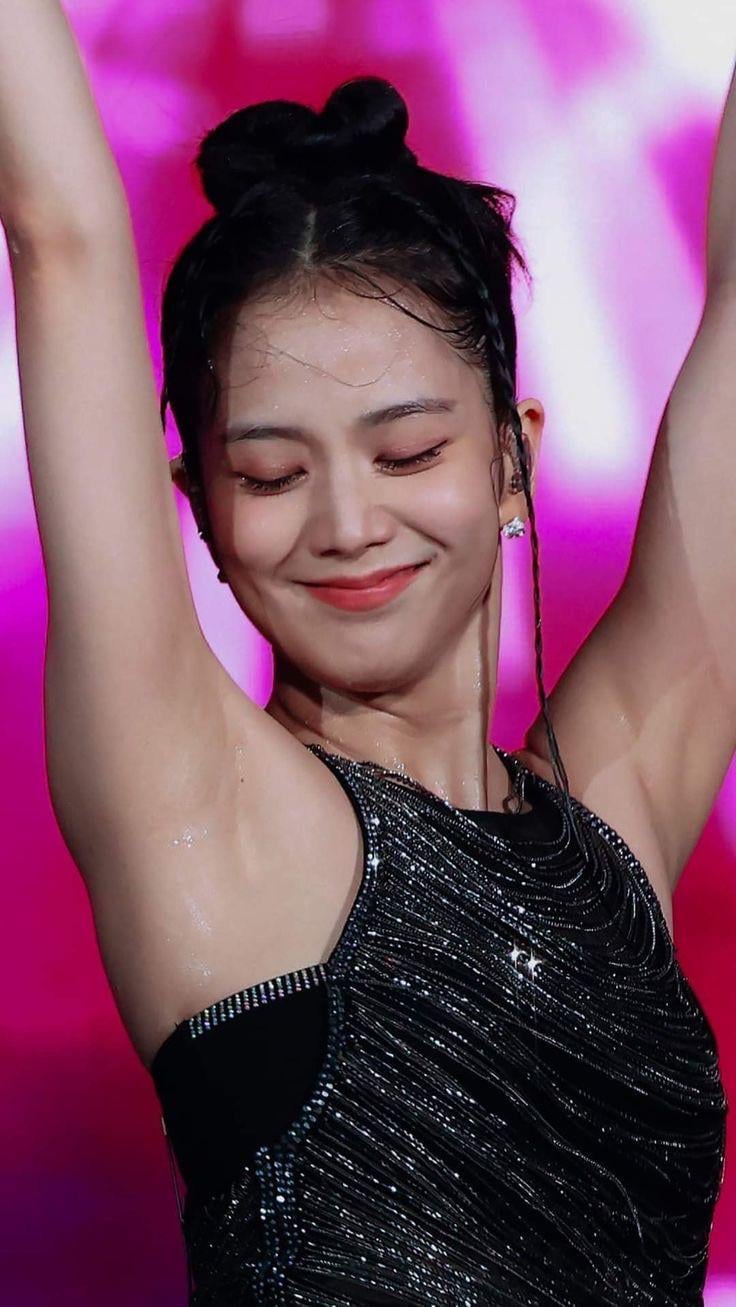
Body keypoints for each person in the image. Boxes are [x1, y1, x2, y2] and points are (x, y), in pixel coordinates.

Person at [2, 2, 733, 1301]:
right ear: (198, 508)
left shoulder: (618, 812)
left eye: (406, 453)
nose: (346, 524)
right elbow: (61, 229)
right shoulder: (202, 811)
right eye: (272, 475)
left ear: (512, 457)